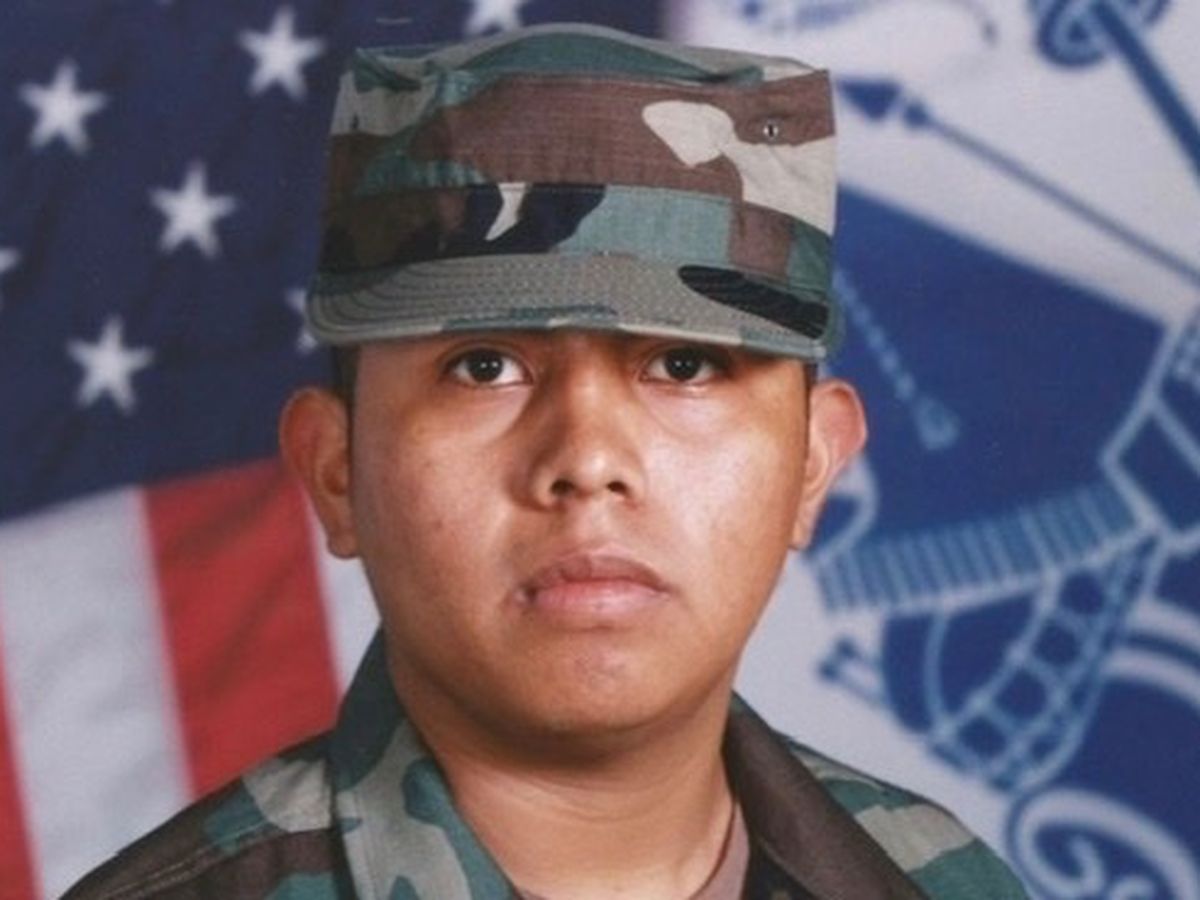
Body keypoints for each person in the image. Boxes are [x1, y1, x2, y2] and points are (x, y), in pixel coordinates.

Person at [66, 22, 1029, 900]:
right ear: (336, 470)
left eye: (684, 365)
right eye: (483, 367)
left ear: (813, 465)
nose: (589, 460)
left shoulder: (943, 882)